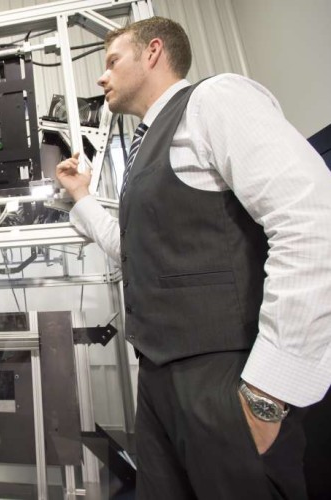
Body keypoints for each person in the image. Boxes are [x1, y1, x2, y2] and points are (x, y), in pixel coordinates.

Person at [56, 16, 331, 500]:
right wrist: (82, 197)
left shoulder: (215, 100)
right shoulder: (144, 152)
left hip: (224, 380)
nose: (102, 77)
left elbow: (309, 218)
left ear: (154, 52)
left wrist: (269, 392)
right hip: (159, 384)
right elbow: (132, 246)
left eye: (112, 61)